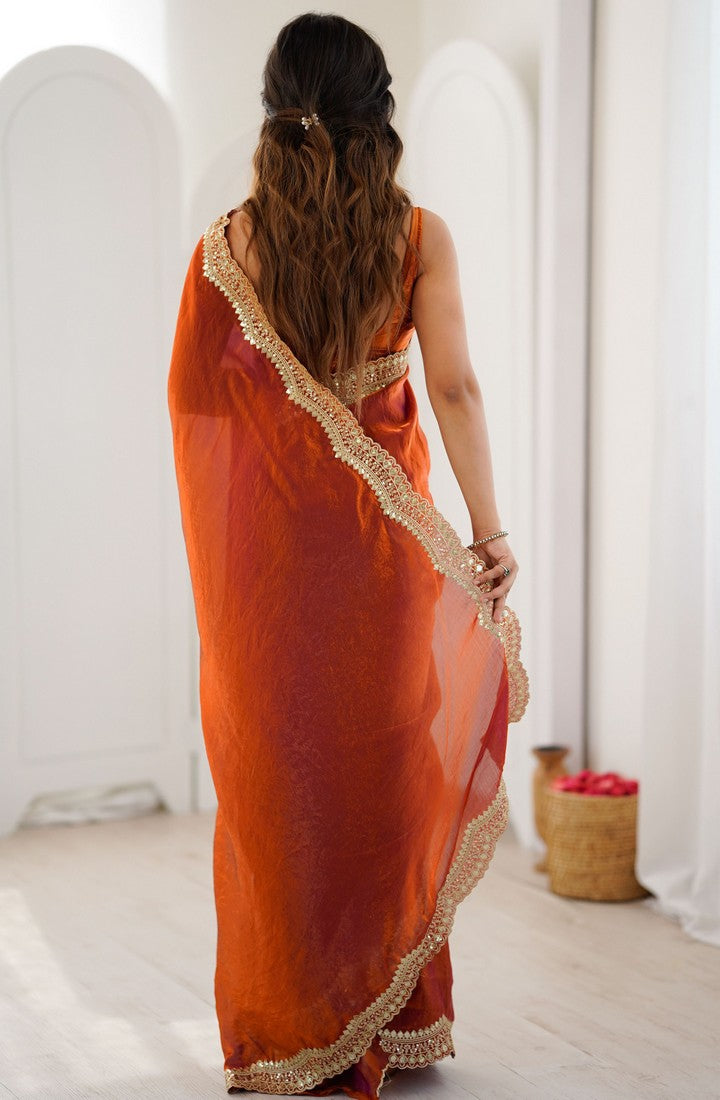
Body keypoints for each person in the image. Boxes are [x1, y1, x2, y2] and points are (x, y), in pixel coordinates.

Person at [167, 12, 529, 1098]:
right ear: (380, 109)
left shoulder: (229, 247)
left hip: (274, 564)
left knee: (281, 781)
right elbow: (454, 387)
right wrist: (488, 531)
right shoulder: (418, 235)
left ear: (273, 107)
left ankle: (291, 1025)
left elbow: (197, 404)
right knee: (385, 768)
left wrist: (279, 456)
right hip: (384, 555)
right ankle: (391, 1015)